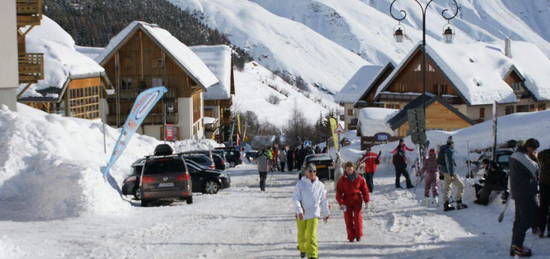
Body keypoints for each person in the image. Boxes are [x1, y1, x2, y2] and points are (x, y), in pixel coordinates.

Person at [509, 138, 540, 257]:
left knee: (519, 220)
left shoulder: (517, 155)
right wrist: (535, 158)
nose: (534, 151)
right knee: (526, 220)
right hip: (525, 193)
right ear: (528, 147)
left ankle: (515, 245)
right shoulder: (521, 156)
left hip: (520, 192)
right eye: (533, 149)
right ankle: (517, 246)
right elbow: (536, 170)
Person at [293, 164, 330, 259]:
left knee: (311, 235)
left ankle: (313, 255)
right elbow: (296, 198)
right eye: (310, 171)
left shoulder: (320, 185)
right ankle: (303, 248)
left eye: (314, 171)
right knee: (302, 235)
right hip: (302, 213)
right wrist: (299, 211)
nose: (312, 173)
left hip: (314, 213)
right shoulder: (300, 184)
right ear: (305, 172)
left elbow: (324, 200)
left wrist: (326, 213)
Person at [336, 162, 370, 242]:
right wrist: (341, 203)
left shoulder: (359, 178)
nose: (349, 171)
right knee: (348, 219)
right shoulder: (342, 179)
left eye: (351, 169)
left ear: (353, 169)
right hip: (346, 200)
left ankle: (358, 235)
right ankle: (351, 236)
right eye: (348, 169)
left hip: (357, 199)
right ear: (345, 170)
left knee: (357, 218)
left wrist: (366, 200)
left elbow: (365, 189)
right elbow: (339, 193)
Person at [439, 136, 467, 211]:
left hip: (445, 172)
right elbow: (449, 163)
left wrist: (442, 172)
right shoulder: (449, 150)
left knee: (447, 188)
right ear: (452, 143)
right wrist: (451, 174)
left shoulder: (443, 149)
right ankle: (459, 203)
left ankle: (446, 204)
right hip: (450, 172)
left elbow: (440, 162)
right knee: (461, 186)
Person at [536, 148, 550, 238]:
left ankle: (541, 230)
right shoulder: (544, 154)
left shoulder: (543, 154)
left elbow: (538, 157)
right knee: (544, 208)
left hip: (543, 183)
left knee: (543, 208)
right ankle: (547, 230)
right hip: (544, 183)